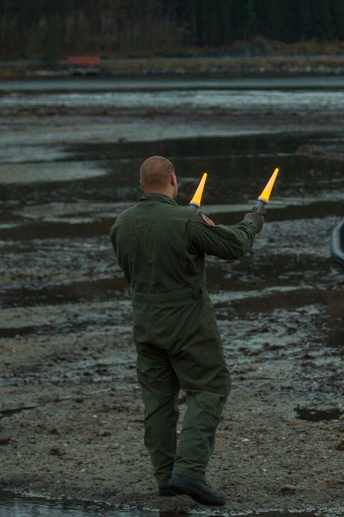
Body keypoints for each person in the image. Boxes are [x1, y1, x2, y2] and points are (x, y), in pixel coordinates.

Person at [109, 156, 265, 507]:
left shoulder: (121, 223)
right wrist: (252, 221)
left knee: (158, 401)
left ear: (141, 184)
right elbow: (234, 246)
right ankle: (190, 472)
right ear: (173, 180)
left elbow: (132, 270)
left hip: (145, 324)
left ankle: (166, 478)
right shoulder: (186, 219)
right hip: (188, 325)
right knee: (210, 387)